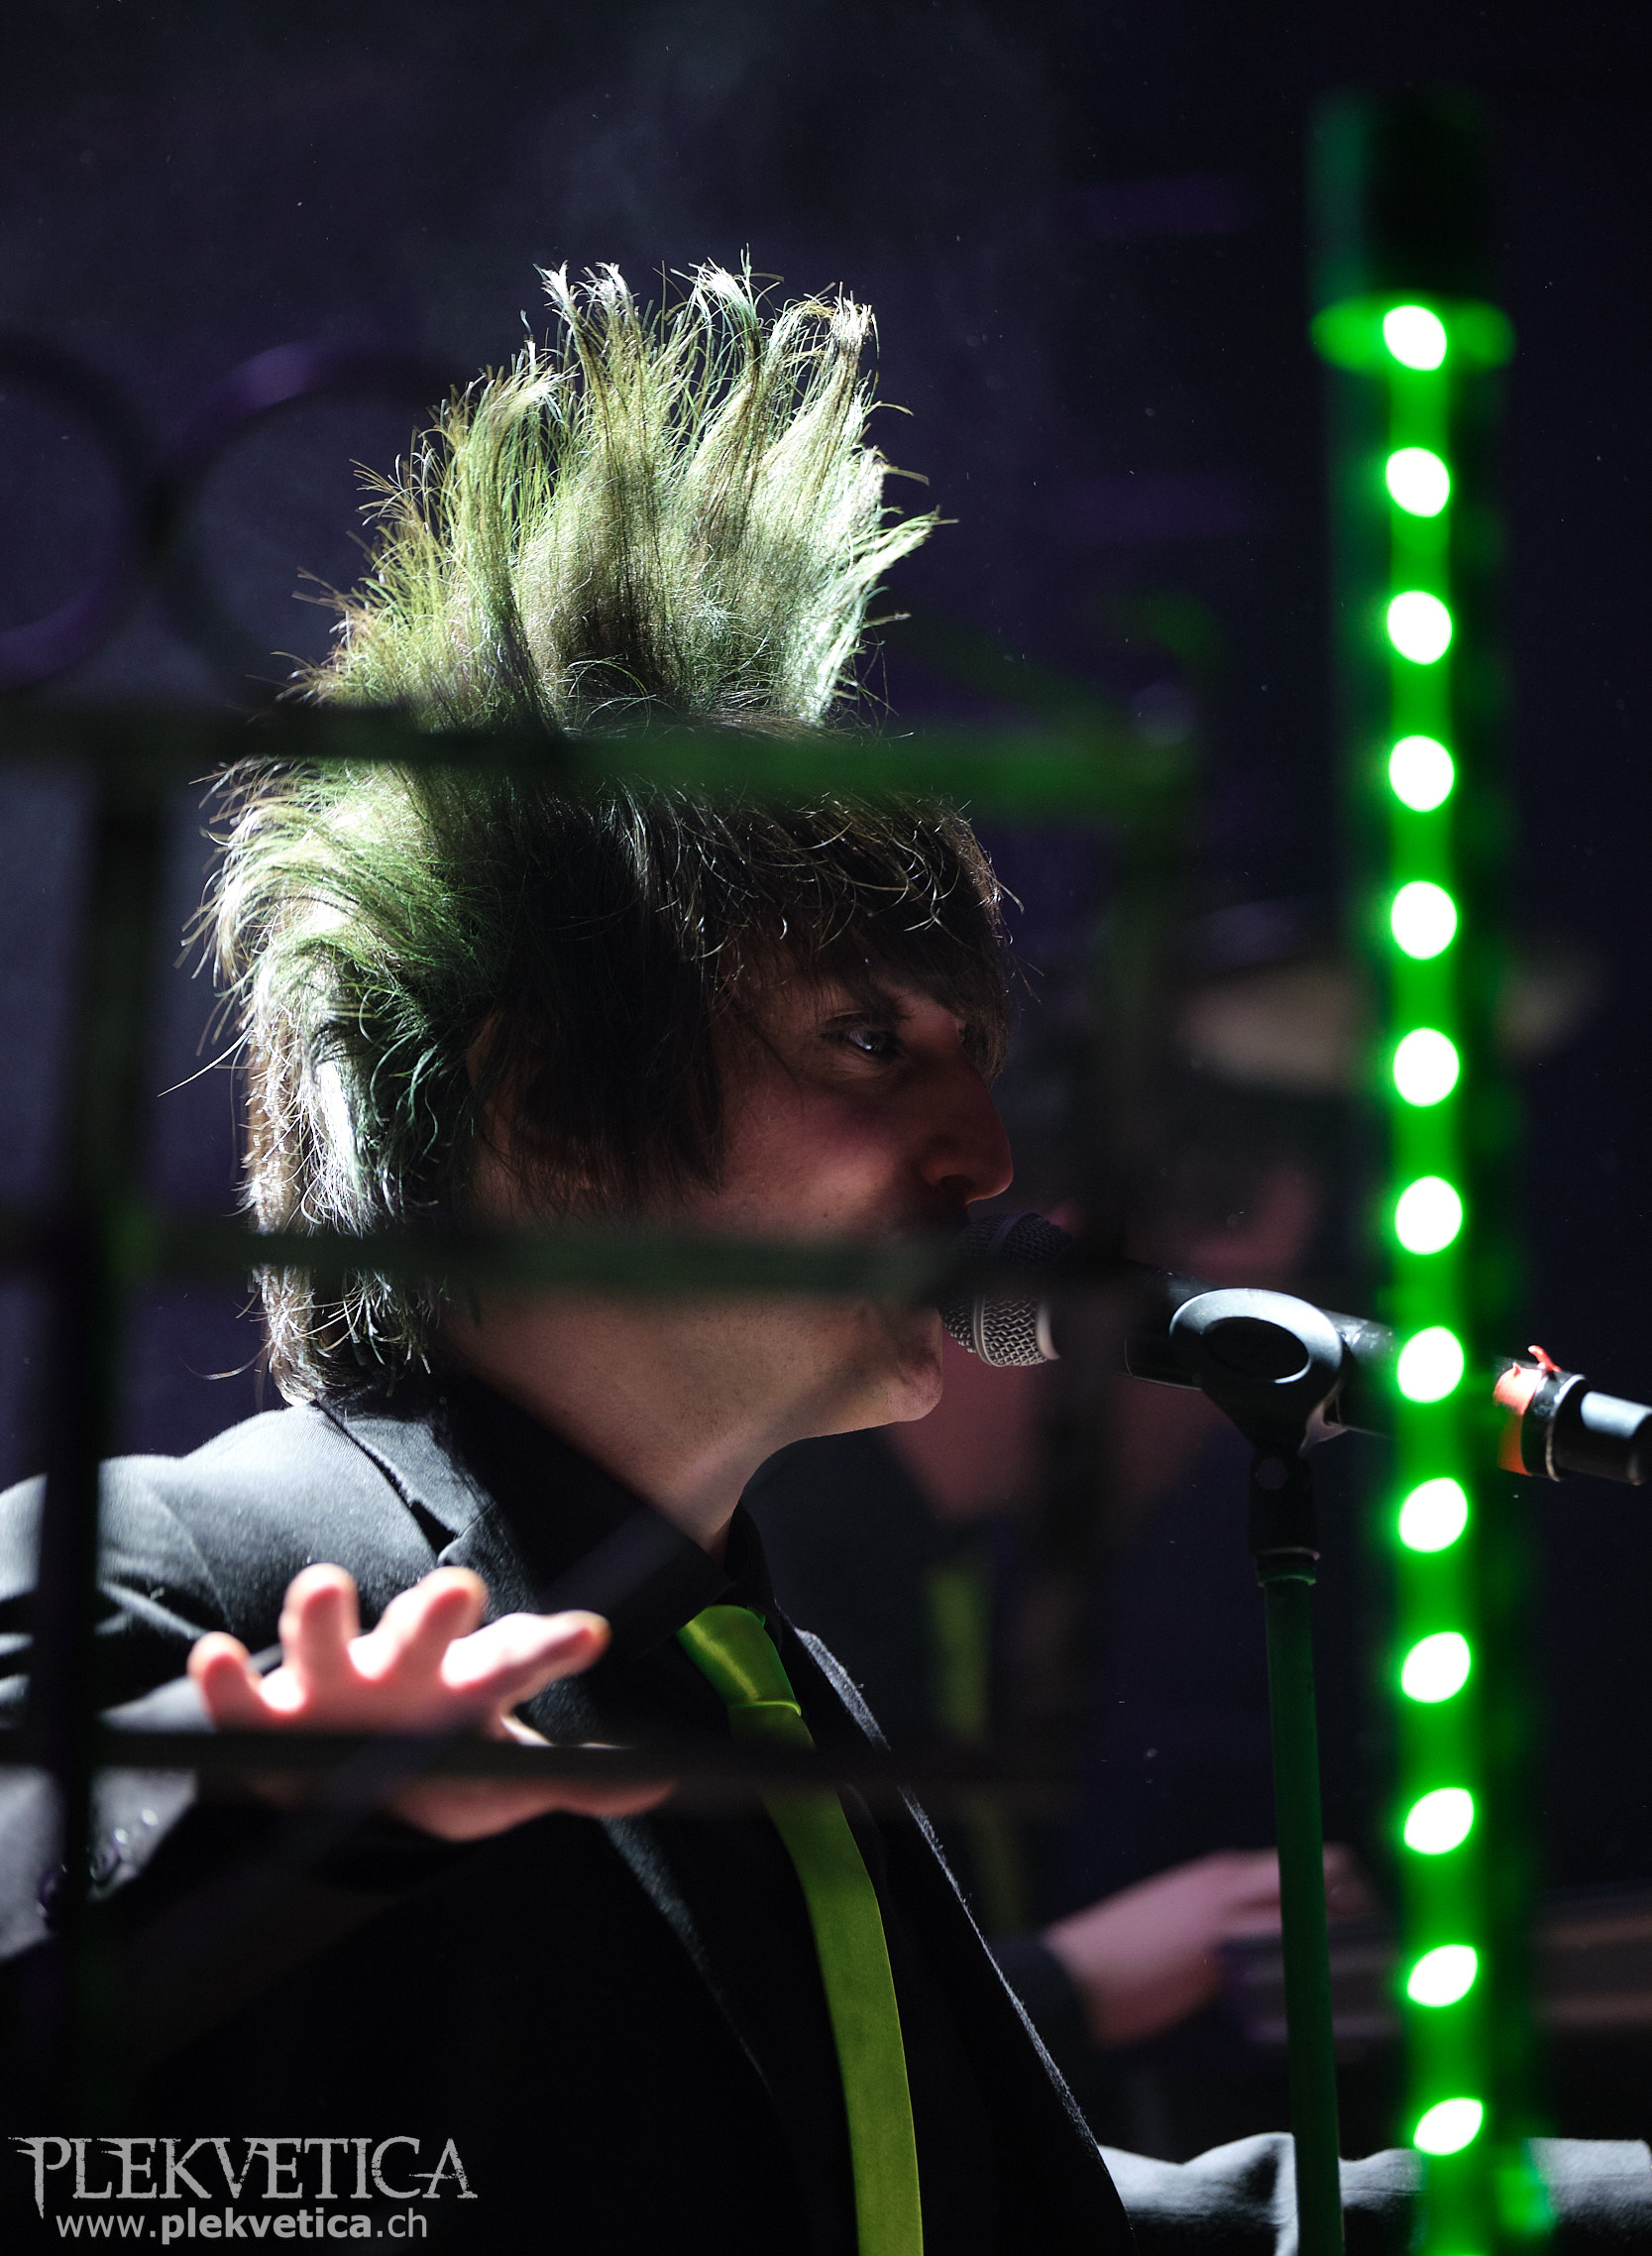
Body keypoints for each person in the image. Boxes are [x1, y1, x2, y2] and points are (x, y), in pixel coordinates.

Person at [0, 266, 1645, 2252]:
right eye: (870, 1041)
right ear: (548, 1103)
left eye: (973, 1055)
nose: (988, 1157)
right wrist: (267, 1823)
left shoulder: (788, 1701)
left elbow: (1005, 2222)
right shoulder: (181, 1558)